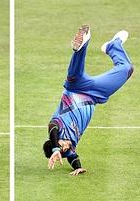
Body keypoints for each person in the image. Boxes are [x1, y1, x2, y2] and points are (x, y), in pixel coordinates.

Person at [43, 25, 133, 176]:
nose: (67, 148)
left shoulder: (57, 125)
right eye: (66, 151)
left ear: (56, 141)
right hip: (94, 95)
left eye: (62, 147)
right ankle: (113, 46)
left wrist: (56, 148)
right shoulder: (71, 147)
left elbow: (52, 128)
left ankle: (82, 44)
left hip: (76, 86)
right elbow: (73, 157)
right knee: (127, 69)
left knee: (75, 69)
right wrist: (77, 167)